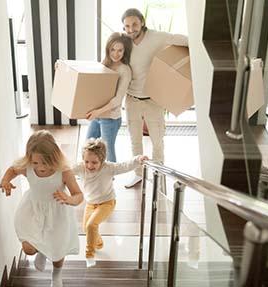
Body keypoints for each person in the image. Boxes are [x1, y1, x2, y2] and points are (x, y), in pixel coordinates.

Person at [0, 130, 84, 287]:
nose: (40, 167)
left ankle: (56, 274)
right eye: (36, 162)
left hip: (58, 214)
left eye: (45, 162)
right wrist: (5, 180)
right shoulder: (28, 167)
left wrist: (70, 199)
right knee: (28, 249)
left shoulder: (64, 172)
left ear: (55, 157)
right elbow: (13, 169)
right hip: (34, 211)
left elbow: (79, 195)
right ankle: (42, 250)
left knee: (57, 250)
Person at [121, 8, 189, 188]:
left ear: (142, 22)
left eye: (134, 24)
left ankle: (159, 173)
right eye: (127, 26)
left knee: (157, 140)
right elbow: (108, 60)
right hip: (131, 99)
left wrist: (199, 45)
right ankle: (138, 174)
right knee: (135, 140)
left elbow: (178, 39)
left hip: (153, 99)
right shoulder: (124, 42)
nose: (131, 29)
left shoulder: (156, 37)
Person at [72, 138, 148, 267]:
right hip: (90, 203)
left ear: (102, 160)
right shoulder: (80, 167)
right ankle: (98, 242)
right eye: (87, 162)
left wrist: (137, 160)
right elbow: (65, 170)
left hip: (107, 203)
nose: (90, 166)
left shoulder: (109, 168)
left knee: (91, 225)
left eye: (94, 162)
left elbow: (124, 166)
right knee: (86, 228)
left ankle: (89, 254)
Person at [85, 32, 133, 162]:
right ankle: (89, 175)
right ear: (108, 49)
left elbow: (117, 100)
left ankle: (109, 180)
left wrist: (97, 112)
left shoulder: (125, 70)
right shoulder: (105, 64)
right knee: (88, 146)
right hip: (98, 115)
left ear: (124, 51)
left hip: (110, 118)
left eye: (120, 50)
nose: (116, 54)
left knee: (107, 150)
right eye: (113, 49)